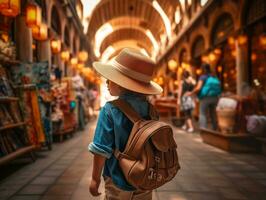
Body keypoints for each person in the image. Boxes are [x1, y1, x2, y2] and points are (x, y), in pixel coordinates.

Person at [88, 48, 163, 200]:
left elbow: (100, 150)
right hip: (145, 178)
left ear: (122, 84)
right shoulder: (151, 110)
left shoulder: (109, 110)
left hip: (118, 181)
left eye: (110, 78)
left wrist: (95, 179)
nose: (107, 82)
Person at [185, 63, 220, 130]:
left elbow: (198, 88)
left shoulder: (203, 77)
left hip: (205, 98)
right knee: (213, 113)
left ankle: (203, 129)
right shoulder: (214, 76)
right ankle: (215, 128)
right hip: (215, 97)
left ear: (203, 69)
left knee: (202, 113)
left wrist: (191, 93)